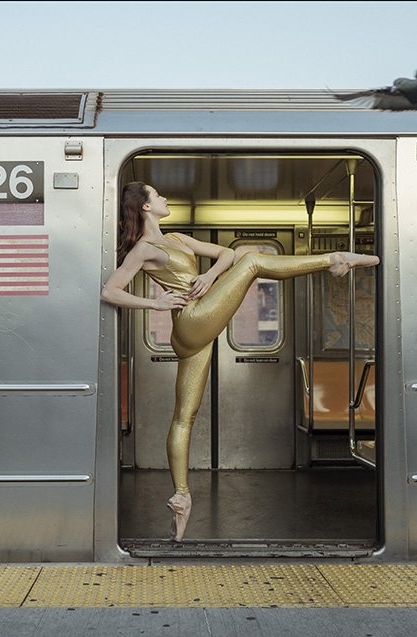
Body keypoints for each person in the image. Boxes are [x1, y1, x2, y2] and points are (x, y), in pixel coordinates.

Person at [100, 182, 380, 542]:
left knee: (184, 416)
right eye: (157, 195)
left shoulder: (178, 239)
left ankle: (181, 498)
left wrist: (209, 276)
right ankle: (333, 260)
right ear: (144, 207)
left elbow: (225, 255)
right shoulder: (144, 249)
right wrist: (155, 303)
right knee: (253, 261)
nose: (164, 198)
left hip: (195, 329)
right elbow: (110, 291)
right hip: (191, 320)